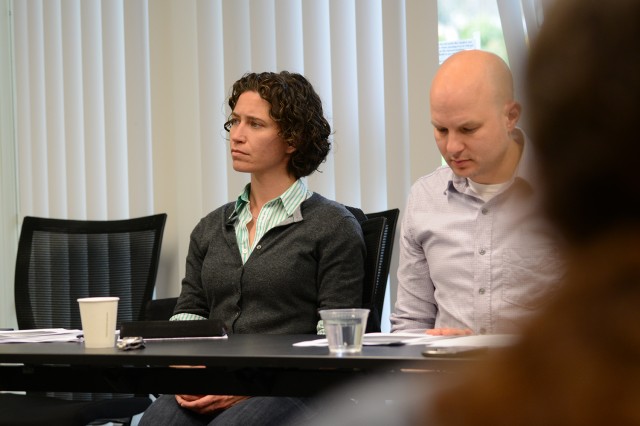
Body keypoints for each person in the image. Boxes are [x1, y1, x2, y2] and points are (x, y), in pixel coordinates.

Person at [139, 71, 366, 426]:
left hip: (296, 387)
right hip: (215, 378)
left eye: (255, 124)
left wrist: (255, 385)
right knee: (156, 422)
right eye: (235, 122)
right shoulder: (211, 227)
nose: (237, 135)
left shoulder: (334, 226)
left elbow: (335, 342)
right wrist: (187, 370)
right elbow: (190, 314)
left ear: (293, 139)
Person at [390, 49, 564, 336]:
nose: (452, 147)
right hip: (446, 376)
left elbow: (598, 326)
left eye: (468, 129)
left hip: (542, 377)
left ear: (510, 116)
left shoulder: (565, 192)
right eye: (441, 130)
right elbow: (410, 323)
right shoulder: (424, 198)